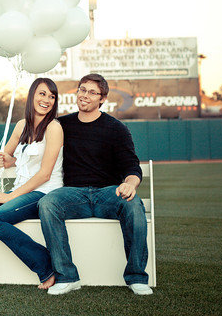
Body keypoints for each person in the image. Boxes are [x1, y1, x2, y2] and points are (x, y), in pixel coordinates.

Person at [38, 73, 152, 296]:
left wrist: (130, 184)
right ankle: (67, 277)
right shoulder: (61, 125)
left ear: (102, 98)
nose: (85, 95)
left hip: (108, 193)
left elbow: (132, 166)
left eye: (92, 92)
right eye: (82, 90)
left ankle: (137, 277)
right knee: (47, 204)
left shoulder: (116, 128)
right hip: (73, 194)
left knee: (133, 204)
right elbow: (37, 152)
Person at [0, 77, 64, 292]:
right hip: (20, 192)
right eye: (42, 93)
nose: (47, 99)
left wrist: (10, 196)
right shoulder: (22, 126)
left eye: (52, 96)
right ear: (32, 96)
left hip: (43, 194)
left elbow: (45, 174)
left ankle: (47, 267)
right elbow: (1, 157)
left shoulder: (54, 128)